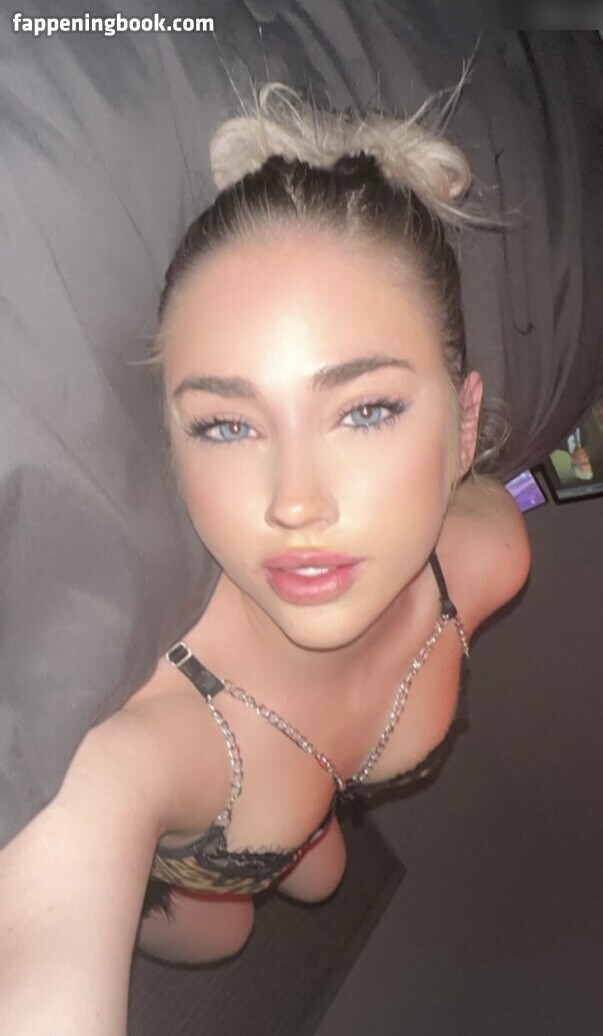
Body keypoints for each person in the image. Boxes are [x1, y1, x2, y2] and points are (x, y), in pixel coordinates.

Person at [0, 84, 531, 1035]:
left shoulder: (492, 552)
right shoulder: (128, 757)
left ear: (463, 427)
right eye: (227, 425)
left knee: (322, 872)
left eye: (364, 410)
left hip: (305, 808)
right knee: (228, 931)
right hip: (210, 860)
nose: (294, 503)